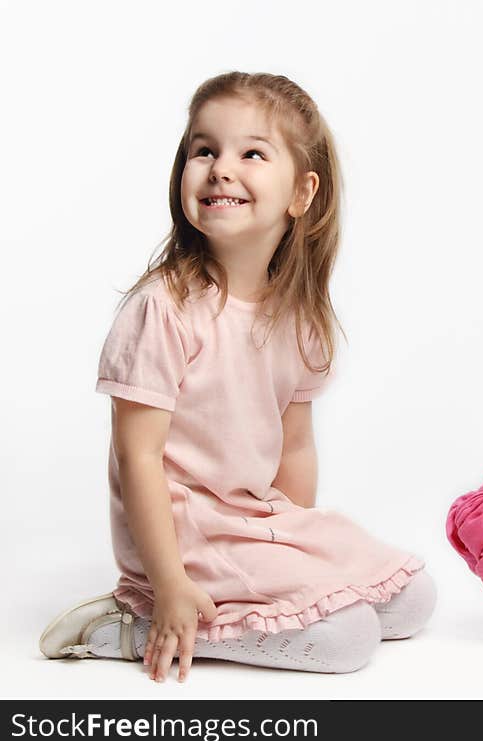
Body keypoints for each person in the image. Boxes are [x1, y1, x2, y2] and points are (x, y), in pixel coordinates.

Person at [38, 71, 437, 683]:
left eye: (252, 152)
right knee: (347, 639)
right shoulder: (164, 308)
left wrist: (293, 552)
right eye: (204, 150)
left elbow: (295, 440)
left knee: (412, 600)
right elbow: (137, 457)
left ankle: (257, 594)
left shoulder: (297, 315)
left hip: (251, 518)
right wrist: (168, 582)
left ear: (302, 193)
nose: (221, 168)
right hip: (186, 529)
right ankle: (133, 626)